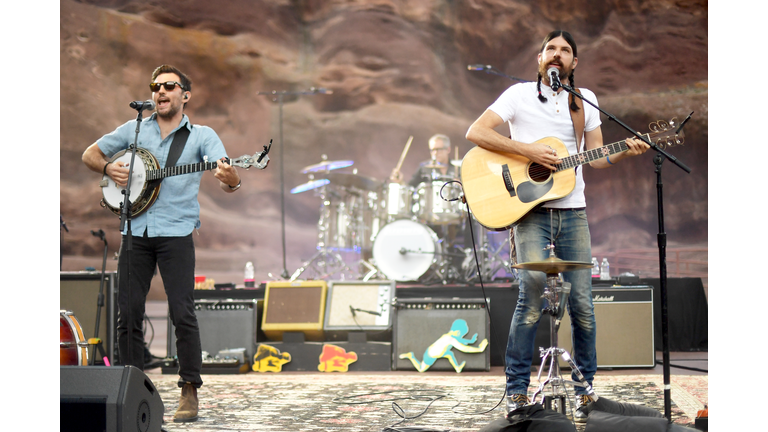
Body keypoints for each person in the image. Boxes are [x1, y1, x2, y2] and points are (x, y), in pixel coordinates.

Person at [465, 30, 649, 421]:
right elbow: (476, 132)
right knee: (530, 299)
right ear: (539, 58)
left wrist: (623, 152)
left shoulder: (585, 102)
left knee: (583, 304)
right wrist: (529, 151)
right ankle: (517, 393)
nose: (557, 54)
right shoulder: (517, 96)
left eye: (565, 50)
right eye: (551, 48)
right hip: (529, 213)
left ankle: (586, 393)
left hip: (573, 212)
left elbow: (595, 157)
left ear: (574, 63)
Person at [82, 64, 242, 423]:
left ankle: (189, 389)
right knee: (128, 316)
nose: (161, 92)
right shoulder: (135, 130)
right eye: (156, 86)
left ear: (185, 95)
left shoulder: (201, 135)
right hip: (134, 233)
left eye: (170, 86)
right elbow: (90, 154)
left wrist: (231, 178)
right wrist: (109, 169)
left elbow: (225, 174)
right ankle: (132, 389)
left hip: (176, 233)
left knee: (182, 313)